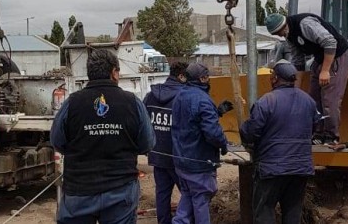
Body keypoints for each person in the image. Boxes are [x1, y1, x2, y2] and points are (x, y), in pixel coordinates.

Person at [50, 48, 155, 224]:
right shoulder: (132, 102)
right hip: (120, 191)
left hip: (79, 192)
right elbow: (147, 144)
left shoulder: (72, 103)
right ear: (114, 72)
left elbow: (57, 142)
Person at [240, 59, 320, 224]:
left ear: (275, 78)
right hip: (300, 168)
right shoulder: (309, 101)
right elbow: (314, 128)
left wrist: (243, 129)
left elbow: (251, 133)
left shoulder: (266, 102)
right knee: (292, 212)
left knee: (264, 211)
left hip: (272, 169)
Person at [265, 12, 348, 145]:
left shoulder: (305, 24)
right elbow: (298, 62)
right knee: (314, 98)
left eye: (279, 32)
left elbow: (330, 42)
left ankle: (331, 136)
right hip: (320, 58)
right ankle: (318, 133)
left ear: (284, 25)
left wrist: (325, 71)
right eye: (276, 34)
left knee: (329, 100)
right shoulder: (290, 37)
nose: (280, 35)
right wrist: (294, 89)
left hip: (336, 56)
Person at [171, 63, 231, 224]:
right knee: (200, 202)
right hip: (199, 162)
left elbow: (190, 123)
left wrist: (217, 112)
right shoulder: (203, 100)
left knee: (188, 198)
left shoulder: (180, 96)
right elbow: (212, 133)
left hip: (181, 160)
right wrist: (224, 144)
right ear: (203, 78)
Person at [144, 61, 188, 224]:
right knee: (188, 193)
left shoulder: (151, 96)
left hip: (158, 154)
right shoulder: (184, 96)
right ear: (182, 76)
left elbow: (142, 120)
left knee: (162, 194)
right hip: (179, 156)